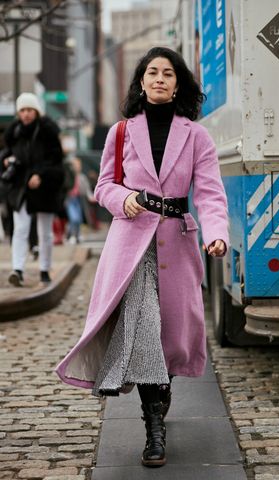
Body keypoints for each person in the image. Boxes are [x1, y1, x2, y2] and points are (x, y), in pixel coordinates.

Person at [55, 47, 229, 467]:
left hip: (177, 240)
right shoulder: (120, 132)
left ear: (177, 84)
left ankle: (161, 392)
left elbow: (208, 192)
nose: (159, 79)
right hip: (132, 246)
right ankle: (154, 430)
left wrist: (217, 234)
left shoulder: (196, 135)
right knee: (147, 329)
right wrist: (126, 197)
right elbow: (103, 187)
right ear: (142, 81)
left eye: (168, 73)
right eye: (152, 72)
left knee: (172, 335)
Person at [0, 92, 64, 286]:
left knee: (45, 231)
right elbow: (8, 152)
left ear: (36, 111)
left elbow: (56, 159)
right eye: (22, 110)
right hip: (21, 187)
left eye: (29, 110)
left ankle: (45, 269)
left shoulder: (48, 131)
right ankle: (17, 269)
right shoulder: (14, 133)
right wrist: (5, 160)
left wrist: (41, 175)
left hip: (44, 188)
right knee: (20, 229)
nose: (26, 114)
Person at [65, 157, 95, 244]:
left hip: (78, 199)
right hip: (70, 199)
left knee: (78, 219)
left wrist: (91, 197)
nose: (77, 167)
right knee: (73, 218)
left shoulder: (82, 177)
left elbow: (87, 189)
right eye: (75, 165)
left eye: (79, 165)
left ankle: (77, 235)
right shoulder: (69, 176)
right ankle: (72, 235)